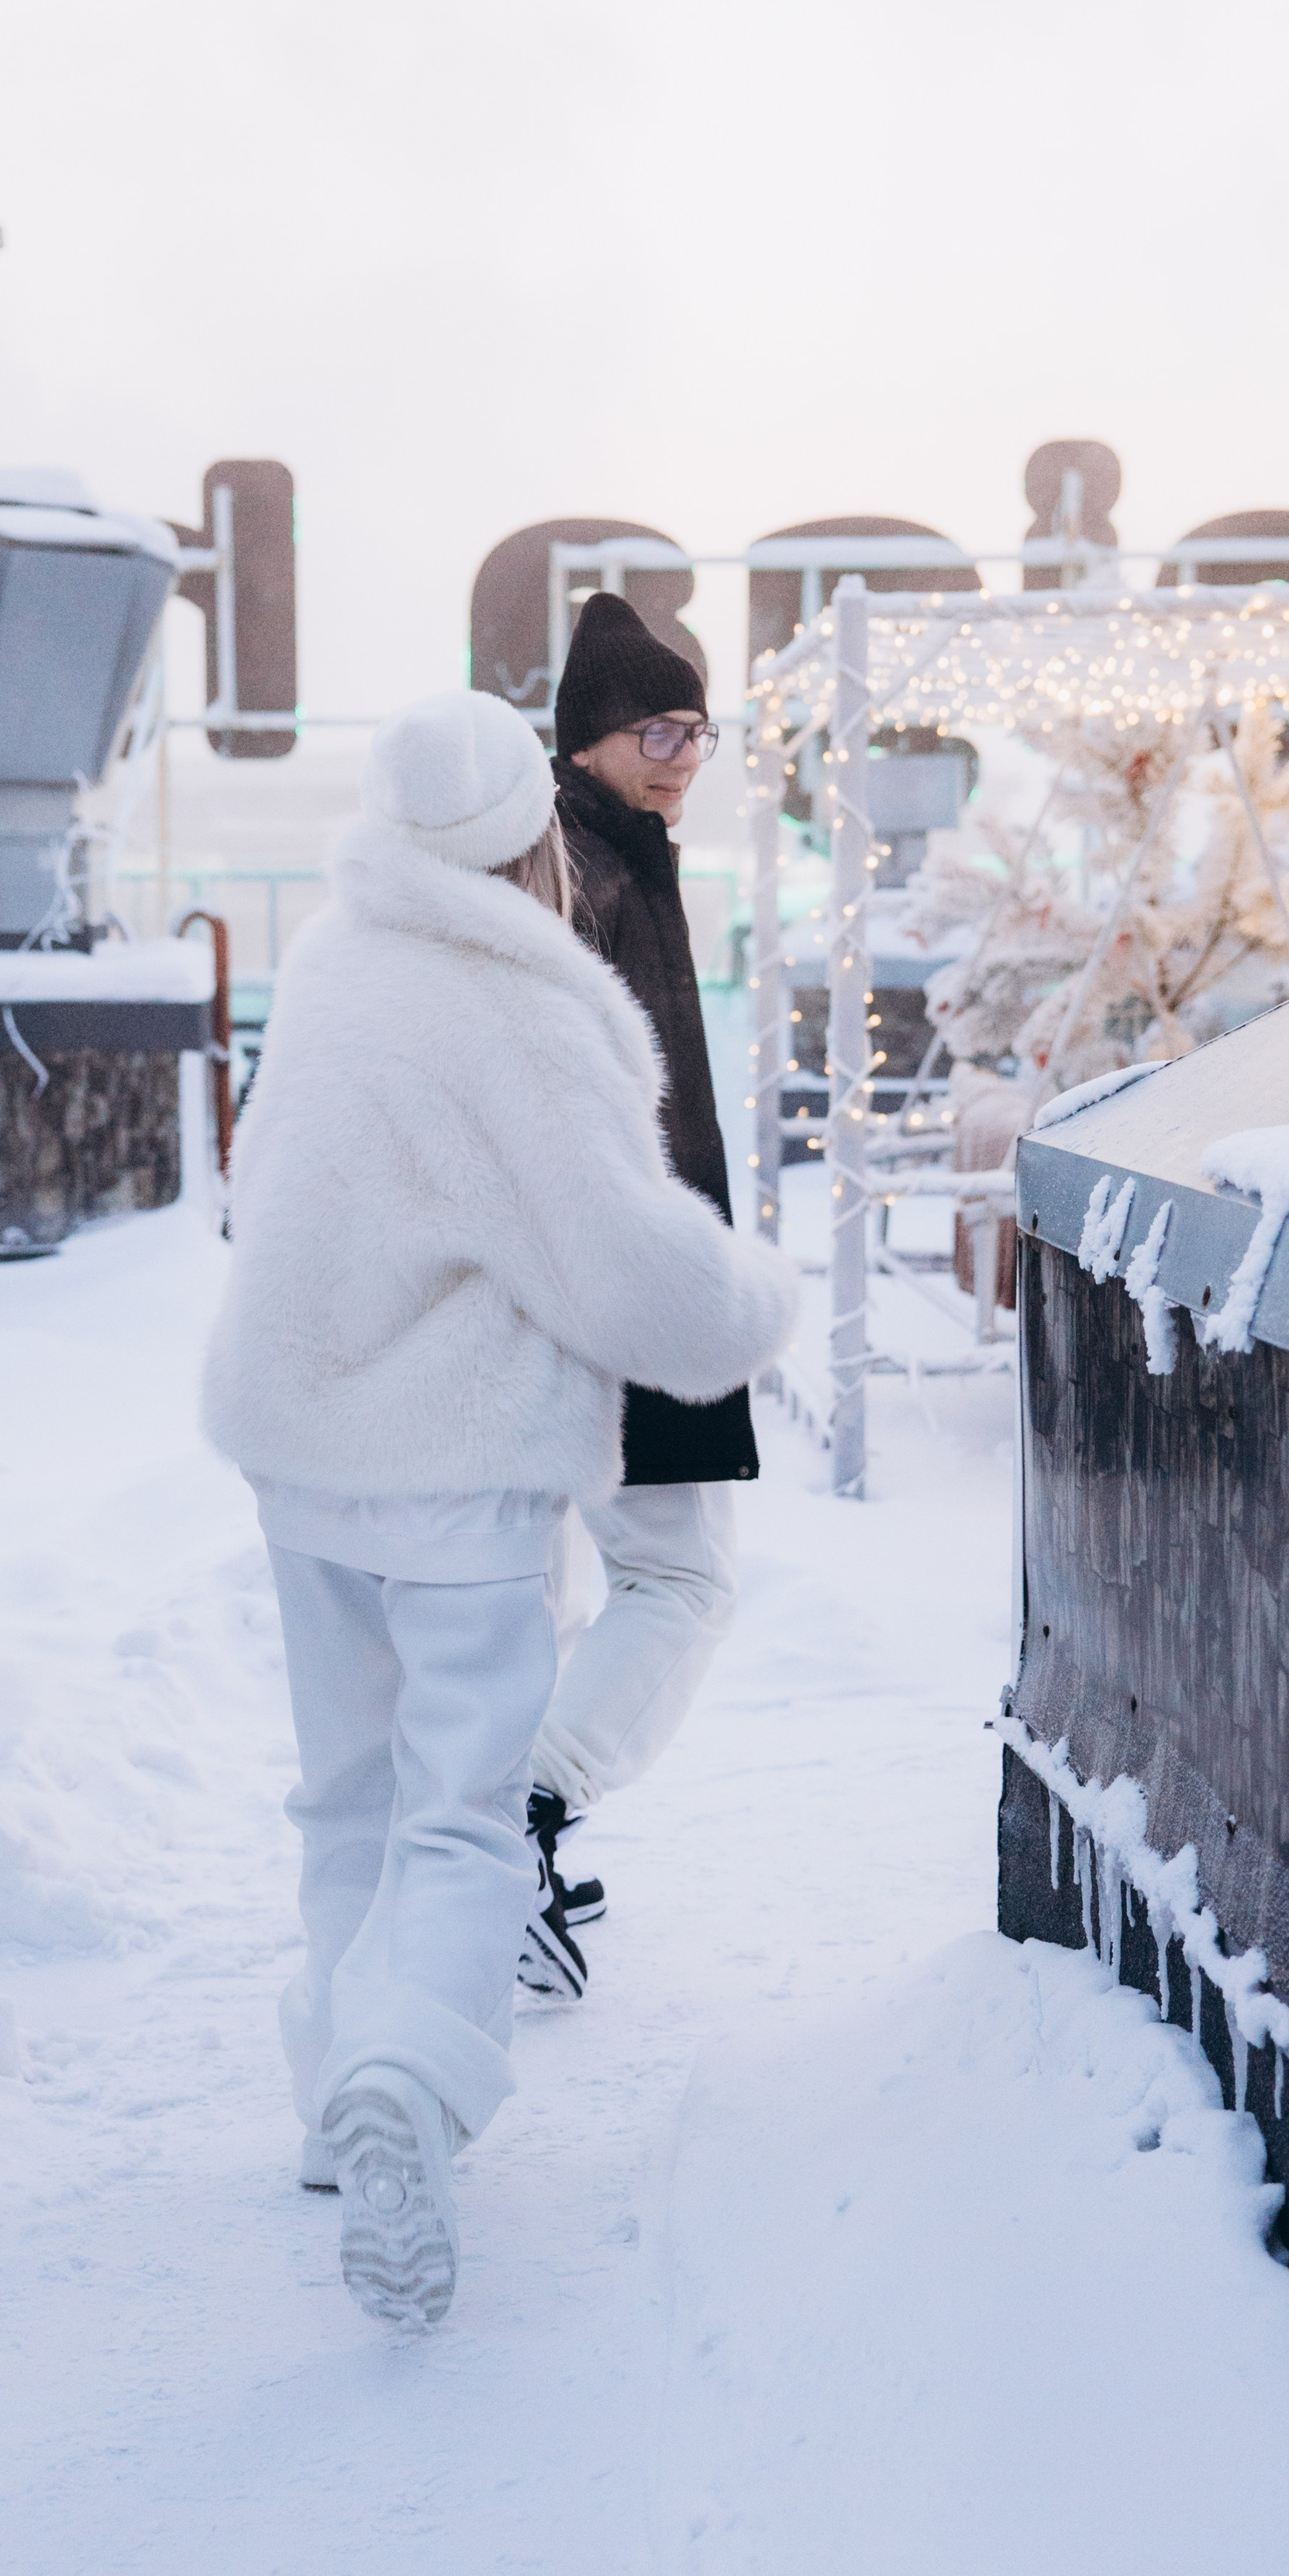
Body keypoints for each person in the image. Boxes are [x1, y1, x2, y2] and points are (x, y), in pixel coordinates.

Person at [202, 688, 798, 2329]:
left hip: (295, 1453)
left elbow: (266, 1190)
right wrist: (754, 1301)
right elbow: (624, 1269)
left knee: (343, 1797)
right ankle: (409, 2079)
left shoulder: (331, 966)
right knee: (456, 1814)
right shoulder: (528, 1008)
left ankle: (338, 2099)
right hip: (454, 1471)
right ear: (531, 838)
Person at [524, 590, 760, 1967]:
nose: (680, 756)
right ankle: (525, 1819)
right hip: (619, 1286)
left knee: (560, 1587)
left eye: (696, 731)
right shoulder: (585, 876)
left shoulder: (607, 856)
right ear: (589, 743)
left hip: (606, 1277)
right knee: (681, 1579)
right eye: (655, 730)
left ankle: (497, 1840)